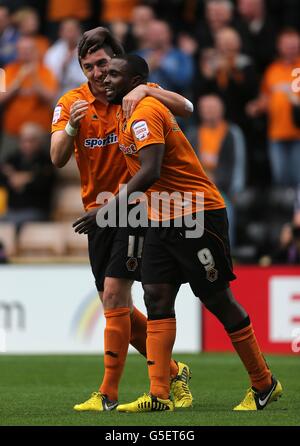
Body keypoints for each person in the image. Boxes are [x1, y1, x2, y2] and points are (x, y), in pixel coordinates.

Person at [75, 54, 283, 412]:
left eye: (113, 74)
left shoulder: (145, 110)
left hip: (197, 213)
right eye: (102, 73)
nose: (105, 79)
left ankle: (264, 383)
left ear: (137, 80)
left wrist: (106, 211)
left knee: (217, 299)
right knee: (155, 296)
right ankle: (159, 395)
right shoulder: (125, 111)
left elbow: (151, 170)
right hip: (160, 218)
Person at [50, 27, 194, 412]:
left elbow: (186, 106)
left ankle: (108, 395)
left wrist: (148, 90)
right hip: (96, 211)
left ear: (114, 61)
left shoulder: (133, 91)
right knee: (118, 309)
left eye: (102, 64)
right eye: (88, 66)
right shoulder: (71, 102)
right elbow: (56, 157)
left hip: (132, 205)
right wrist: (70, 127)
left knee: (115, 296)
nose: (97, 73)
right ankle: (174, 371)